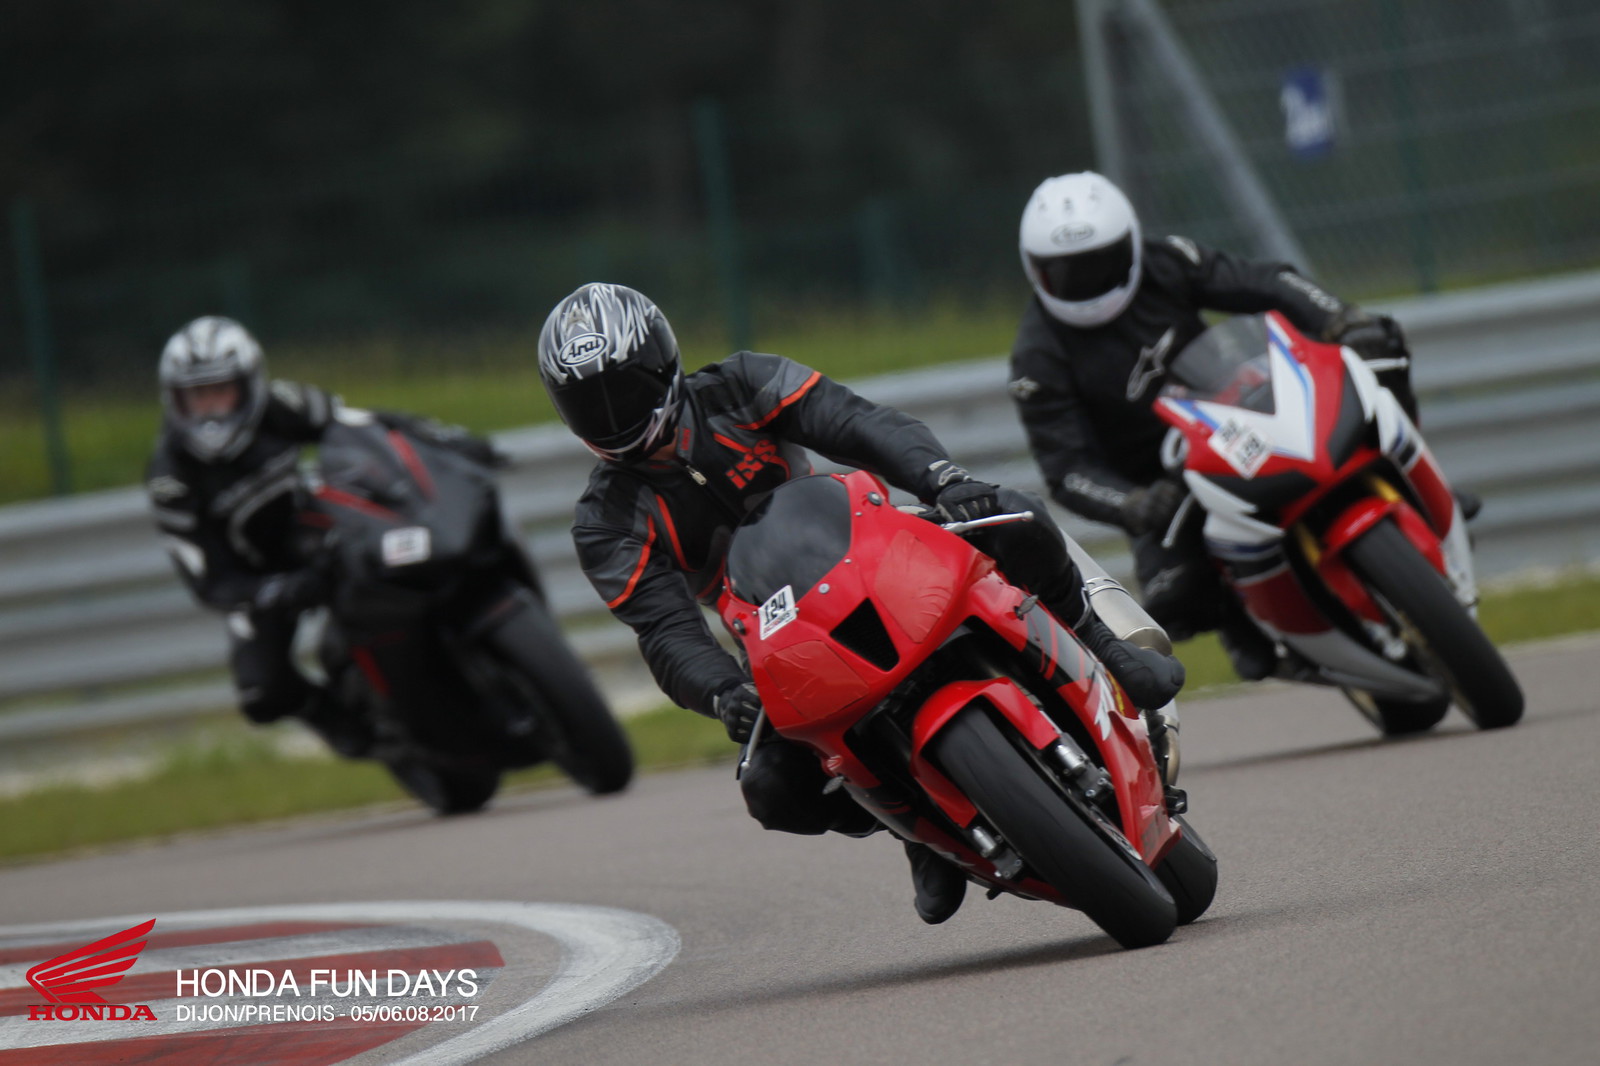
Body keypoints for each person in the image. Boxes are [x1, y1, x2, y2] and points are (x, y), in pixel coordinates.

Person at [541, 282, 1186, 925]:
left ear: (662, 365)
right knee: (771, 789)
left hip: (874, 546)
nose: (612, 416)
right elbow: (664, 631)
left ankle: (1100, 643)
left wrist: (940, 478)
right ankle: (912, 827)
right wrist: (721, 691)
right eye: (587, 404)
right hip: (775, 636)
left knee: (1017, 516)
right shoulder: (604, 520)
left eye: (623, 392)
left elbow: (856, 423)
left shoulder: (741, 384)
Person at [1008, 171, 1433, 681]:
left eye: (1101, 262)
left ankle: (1416, 488)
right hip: (1165, 481)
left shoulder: (1168, 261)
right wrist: (1134, 503)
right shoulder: (1037, 357)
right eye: (1066, 272)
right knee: (1175, 597)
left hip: (1239, 406)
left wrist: (1340, 317)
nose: (1087, 281)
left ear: (1131, 246)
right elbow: (1066, 469)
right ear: (1034, 270)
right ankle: (1248, 627)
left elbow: (1267, 282)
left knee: (1381, 347)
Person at [145, 316, 501, 756]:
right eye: (198, 396)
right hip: (258, 578)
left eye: (221, 391)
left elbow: (359, 425)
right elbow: (209, 579)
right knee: (262, 692)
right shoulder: (170, 477)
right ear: (174, 400)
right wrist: (276, 590)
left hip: (314, 528)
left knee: (404, 546)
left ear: (249, 384)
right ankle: (355, 729)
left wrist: (439, 438)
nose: (212, 408)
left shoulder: (280, 404)